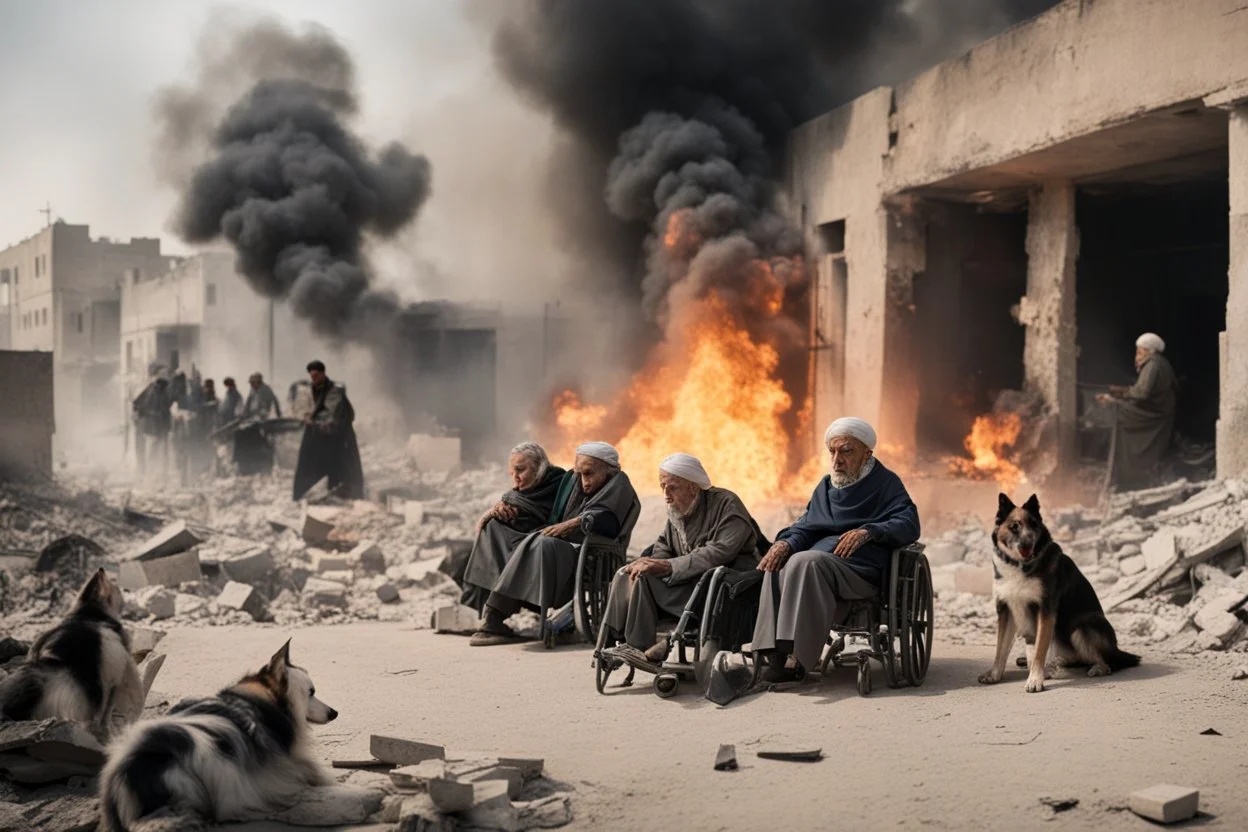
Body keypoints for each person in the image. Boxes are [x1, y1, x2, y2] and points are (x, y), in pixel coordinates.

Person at [752, 417, 920, 684]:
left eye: (846, 451)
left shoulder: (886, 483)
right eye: (832, 452)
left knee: (807, 561)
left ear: (867, 453)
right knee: (777, 561)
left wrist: (869, 531)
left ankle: (797, 658)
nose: (837, 460)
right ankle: (771, 652)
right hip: (820, 565)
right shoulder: (827, 486)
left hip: (861, 571)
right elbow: (807, 526)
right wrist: (785, 543)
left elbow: (909, 523)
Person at [469, 442, 638, 646]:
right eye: (580, 474)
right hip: (561, 544)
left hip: (591, 554)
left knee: (541, 543)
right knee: (497, 529)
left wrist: (573, 524)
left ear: (609, 471)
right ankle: (488, 612)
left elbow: (607, 521)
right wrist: (501, 510)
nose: (584, 482)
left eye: (590, 474)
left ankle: (496, 613)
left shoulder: (620, 484)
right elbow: (540, 500)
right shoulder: (572, 481)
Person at [599, 453, 761, 662]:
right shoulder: (678, 509)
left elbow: (720, 552)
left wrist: (666, 566)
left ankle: (638, 647)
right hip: (693, 582)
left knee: (651, 575)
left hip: (727, 588)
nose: (666, 494)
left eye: (673, 487)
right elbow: (664, 545)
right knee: (636, 575)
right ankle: (622, 643)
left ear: (693, 487)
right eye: (662, 487)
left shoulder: (726, 503)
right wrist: (652, 563)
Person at [456, 442, 571, 613]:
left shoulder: (560, 483)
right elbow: (513, 500)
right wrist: (495, 512)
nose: (515, 477)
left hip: (545, 545)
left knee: (493, 535)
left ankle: (491, 610)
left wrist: (509, 510)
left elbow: (547, 516)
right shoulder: (521, 492)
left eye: (520, 470)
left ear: (539, 467)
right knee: (491, 530)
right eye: (512, 472)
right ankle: (480, 609)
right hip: (520, 543)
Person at [1096, 332, 1178, 490]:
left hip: (1154, 414)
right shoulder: (1159, 362)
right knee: (1117, 405)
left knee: (1116, 411)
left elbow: (1142, 393)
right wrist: (1120, 392)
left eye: (1140, 352)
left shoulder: (1153, 365)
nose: (1137, 356)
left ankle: (1124, 471)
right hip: (1159, 410)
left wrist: (1118, 395)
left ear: (1149, 351)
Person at [292, 360, 365, 500]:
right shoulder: (316, 389)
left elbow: (332, 416)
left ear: (323, 374)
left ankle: (343, 493)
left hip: (338, 437)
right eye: (312, 377)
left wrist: (314, 422)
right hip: (323, 434)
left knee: (340, 470)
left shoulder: (334, 392)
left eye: (316, 376)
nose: (314, 380)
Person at [131, 376, 173, 476]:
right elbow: (165, 413)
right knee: (152, 452)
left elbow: (136, 404)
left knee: (145, 452)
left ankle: (144, 472)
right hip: (152, 428)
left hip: (145, 428)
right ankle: (148, 473)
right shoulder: (158, 394)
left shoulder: (149, 391)